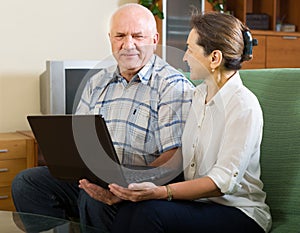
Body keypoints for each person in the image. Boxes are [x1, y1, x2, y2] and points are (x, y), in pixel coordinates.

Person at [11, 3, 194, 232]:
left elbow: (175, 158)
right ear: (110, 38)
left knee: (94, 198)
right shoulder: (97, 81)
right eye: (120, 36)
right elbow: (79, 139)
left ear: (154, 39)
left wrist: (128, 182)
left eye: (138, 36)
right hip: (95, 176)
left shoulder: (172, 86)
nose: (128, 44)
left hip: (141, 185)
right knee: (26, 183)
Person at [107, 11, 272, 233]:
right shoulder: (197, 95)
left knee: (149, 213)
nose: (184, 57)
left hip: (239, 211)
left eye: (190, 50)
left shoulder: (243, 106)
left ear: (214, 58)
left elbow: (222, 182)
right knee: (129, 209)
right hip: (200, 205)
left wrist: (162, 192)